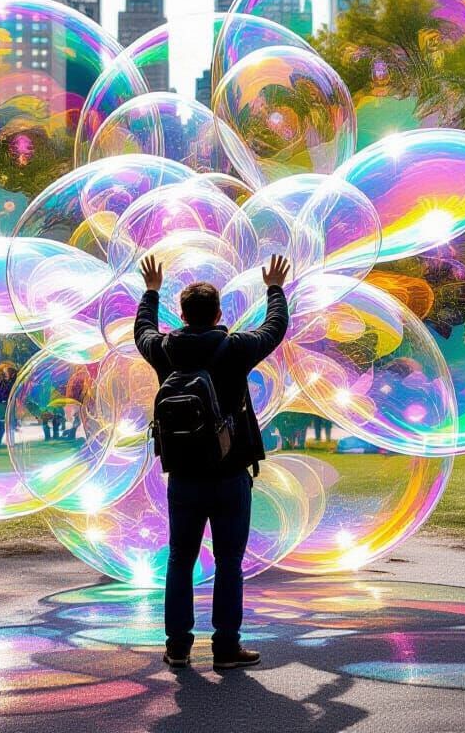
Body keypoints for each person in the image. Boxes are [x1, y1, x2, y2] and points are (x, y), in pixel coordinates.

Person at [134, 253, 290, 672]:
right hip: (229, 473)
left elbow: (142, 331)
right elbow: (275, 329)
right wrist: (274, 287)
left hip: (183, 475)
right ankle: (225, 648)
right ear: (219, 313)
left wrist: (150, 292)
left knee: (180, 560)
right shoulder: (236, 347)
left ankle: (179, 647)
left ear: (182, 314)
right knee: (228, 563)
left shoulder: (165, 350)